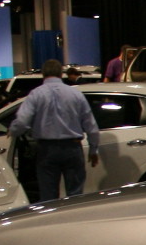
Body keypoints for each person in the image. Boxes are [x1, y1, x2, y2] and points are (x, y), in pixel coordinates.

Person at [9, 57, 100, 199]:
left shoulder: (36, 94)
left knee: (48, 197)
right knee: (75, 195)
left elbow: (22, 122)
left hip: (46, 149)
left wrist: (13, 131)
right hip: (73, 148)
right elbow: (91, 126)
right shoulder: (76, 94)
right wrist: (93, 150)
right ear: (61, 74)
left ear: (43, 74)